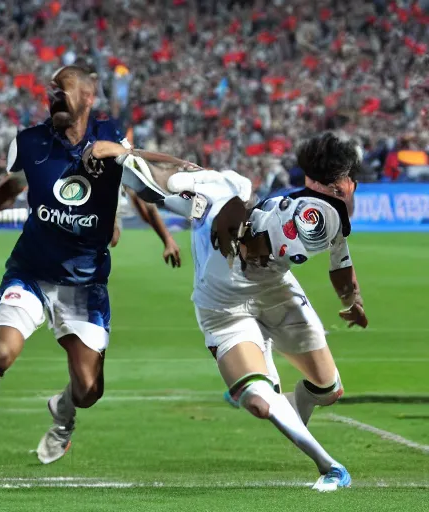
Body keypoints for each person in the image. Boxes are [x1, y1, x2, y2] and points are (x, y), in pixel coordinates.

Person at [0, 65, 186, 489]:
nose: (52, 94)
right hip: (31, 273)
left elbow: (167, 177)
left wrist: (120, 155)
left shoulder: (112, 140)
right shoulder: (30, 143)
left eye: (62, 88)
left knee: (88, 390)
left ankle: (64, 409)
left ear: (87, 97)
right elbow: (8, 191)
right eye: (49, 90)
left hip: (85, 283)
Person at [118, 131, 368, 491]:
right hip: (224, 306)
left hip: (277, 294)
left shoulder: (308, 210)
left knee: (328, 389)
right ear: (333, 184)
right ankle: (329, 466)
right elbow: (152, 187)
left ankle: (282, 404)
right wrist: (120, 157)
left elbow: (339, 261)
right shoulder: (219, 192)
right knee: (258, 400)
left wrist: (352, 302)